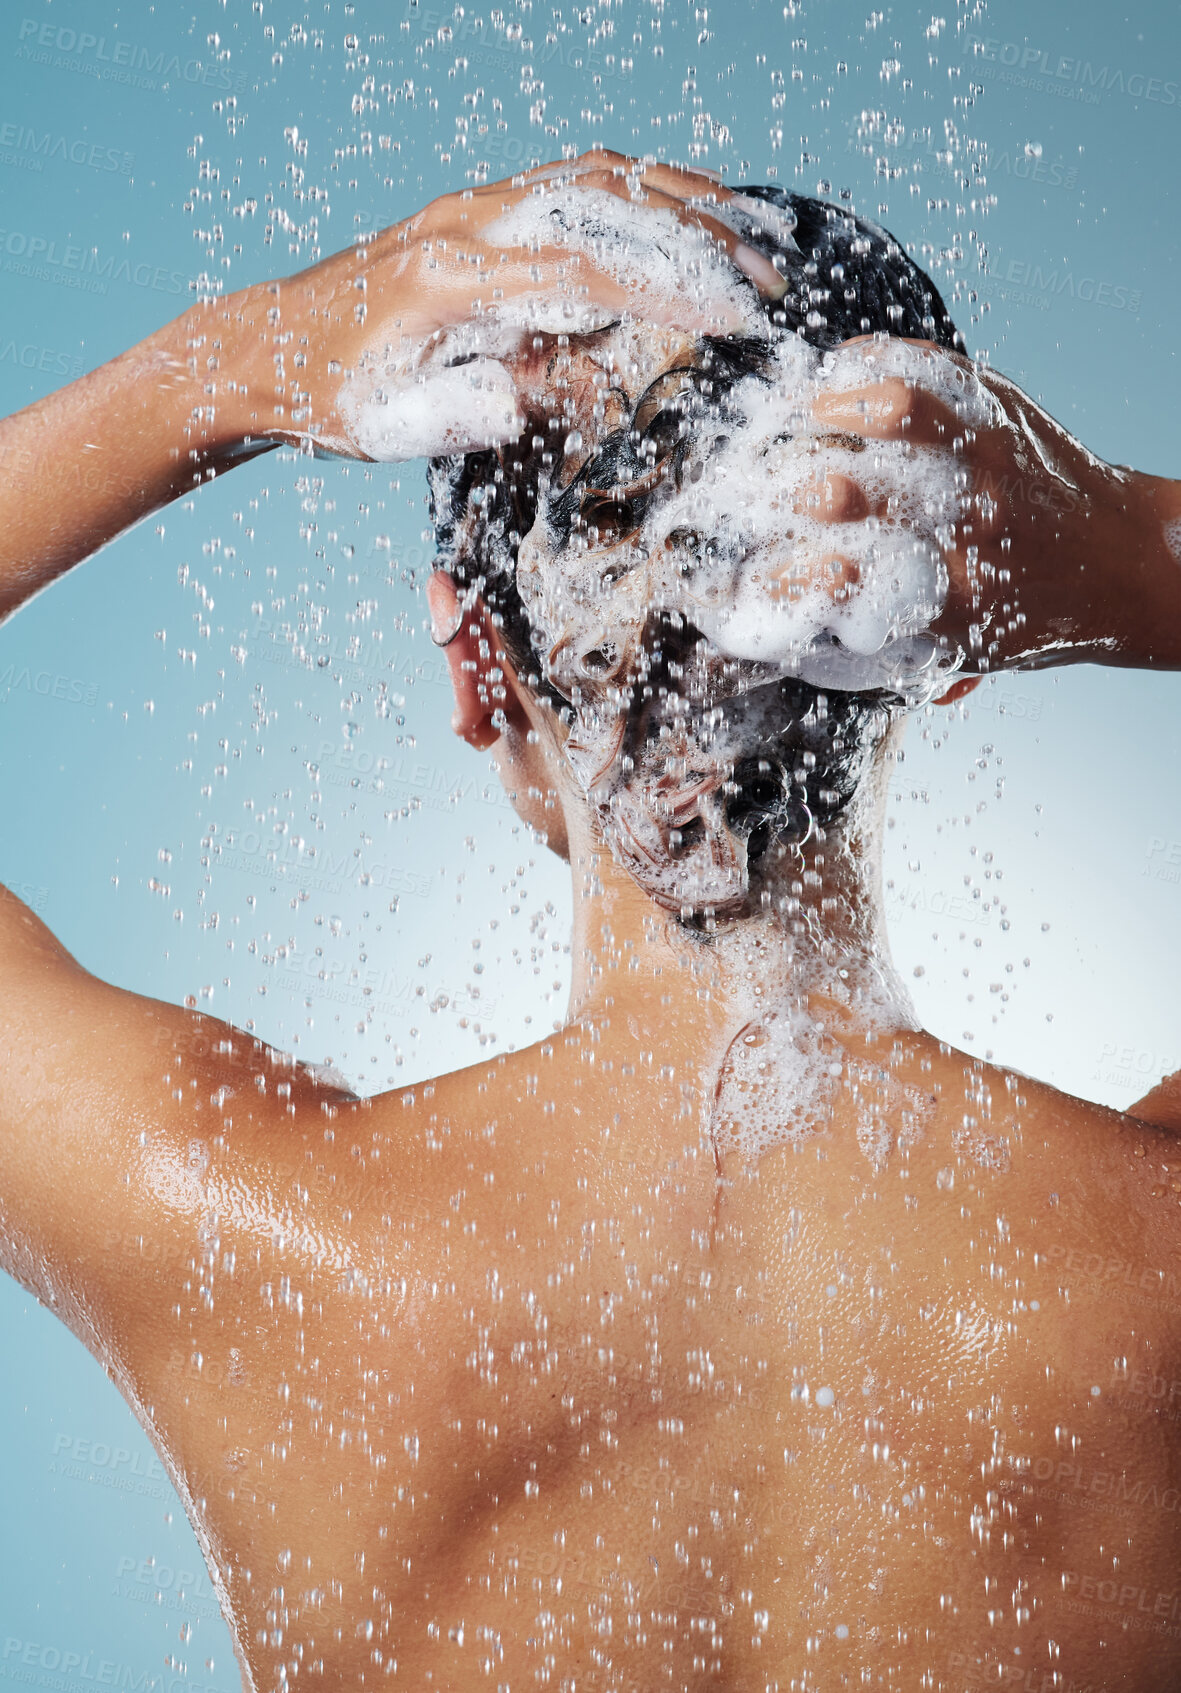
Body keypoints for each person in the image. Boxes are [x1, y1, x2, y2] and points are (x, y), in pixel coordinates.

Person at [1, 149, 1180, 1692]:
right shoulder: (1145, 1272)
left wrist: (232, 364)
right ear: (941, 652)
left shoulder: (250, 1244)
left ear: (472, 665)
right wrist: (1122, 554)